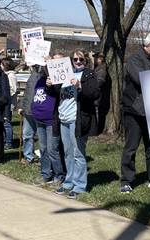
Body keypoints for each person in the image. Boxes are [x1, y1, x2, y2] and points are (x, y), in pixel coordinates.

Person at [119, 19, 150, 194]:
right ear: (148, 45)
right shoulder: (135, 60)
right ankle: (126, 180)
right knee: (131, 147)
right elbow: (143, 80)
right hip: (134, 110)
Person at [51, 50, 100, 200]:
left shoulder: (89, 74)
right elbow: (57, 92)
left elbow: (95, 93)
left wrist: (80, 86)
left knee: (78, 153)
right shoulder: (65, 73)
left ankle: (79, 185)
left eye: (81, 59)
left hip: (77, 119)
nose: (78, 62)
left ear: (86, 61)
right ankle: (69, 181)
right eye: (75, 59)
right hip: (63, 118)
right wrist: (50, 85)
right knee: (68, 153)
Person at [21, 63, 65, 185]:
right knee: (43, 149)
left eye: (46, 66)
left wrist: (51, 84)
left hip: (51, 120)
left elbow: (58, 93)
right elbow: (33, 94)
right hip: (39, 119)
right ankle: (46, 174)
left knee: (52, 149)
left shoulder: (56, 80)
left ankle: (59, 174)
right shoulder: (39, 79)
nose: (44, 68)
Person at [2, 58, 17, 149]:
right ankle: (4, 139)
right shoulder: (5, 75)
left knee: (7, 122)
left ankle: (9, 142)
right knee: (3, 122)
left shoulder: (11, 76)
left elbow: (13, 89)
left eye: (2, 64)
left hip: (9, 103)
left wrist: (5, 95)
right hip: (4, 103)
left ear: (6, 66)